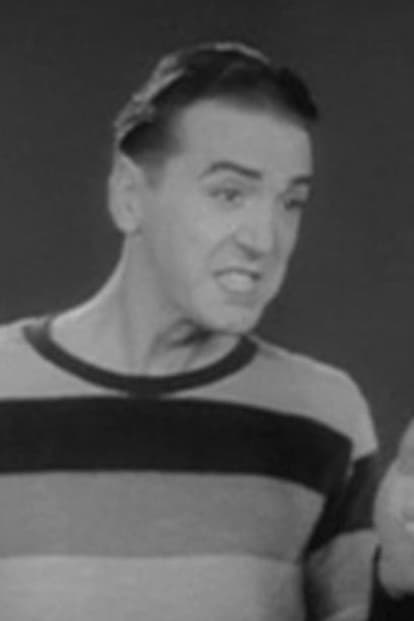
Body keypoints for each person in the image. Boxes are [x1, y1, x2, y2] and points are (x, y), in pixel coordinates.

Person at [0, 40, 410, 620]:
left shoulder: (326, 417)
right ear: (128, 196)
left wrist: (399, 583)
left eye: (291, 202)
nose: (264, 240)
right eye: (229, 194)